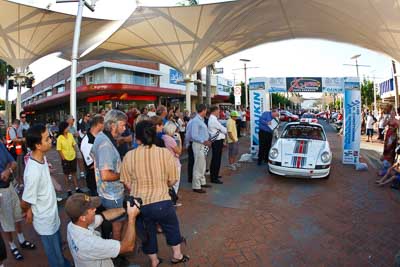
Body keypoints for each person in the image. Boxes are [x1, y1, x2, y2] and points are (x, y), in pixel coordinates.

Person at [121, 120, 189, 267]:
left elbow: (126, 182)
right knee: (171, 226)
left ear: (137, 138)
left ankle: (154, 261)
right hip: (162, 201)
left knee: (147, 233)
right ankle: (177, 255)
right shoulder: (165, 153)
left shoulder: (129, 156)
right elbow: (172, 180)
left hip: (140, 205)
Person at [21, 124, 71, 267]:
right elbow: (25, 201)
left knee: (58, 250)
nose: (51, 140)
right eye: (47, 138)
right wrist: (27, 210)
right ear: (38, 145)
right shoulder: (33, 171)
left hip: (51, 214)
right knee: (56, 258)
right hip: (45, 220)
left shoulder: (41, 158)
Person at [65, 193, 140, 266]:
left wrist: (125, 209)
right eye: (91, 209)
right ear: (82, 218)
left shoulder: (73, 225)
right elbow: (128, 246)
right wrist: (132, 217)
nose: (95, 209)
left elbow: (104, 215)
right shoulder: (90, 244)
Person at [91, 109, 127, 242]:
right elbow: (106, 175)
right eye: (122, 125)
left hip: (104, 191)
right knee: (117, 225)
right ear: (113, 125)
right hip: (112, 193)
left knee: (107, 222)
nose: (124, 129)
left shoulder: (101, 137)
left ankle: (108, 246)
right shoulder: (105, 143)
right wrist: (123, 174)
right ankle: (116, 256)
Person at [0, 142, 36, 261]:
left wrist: (7, 171)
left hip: (10, 186)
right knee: (6, 221)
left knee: (17, 215)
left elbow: (13, 163)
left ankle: (21, 240)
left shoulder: (0, 145)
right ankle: (12, 245)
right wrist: (8, 168)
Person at [80, 115, 104, 196]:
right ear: (99, 124)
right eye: (104, 123)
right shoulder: (87, 141)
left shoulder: (101, 135)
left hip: (102, 179)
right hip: (94, 181)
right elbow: (90, 165)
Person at [189, 104, 211, 193]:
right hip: (198, 144)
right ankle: (196, 186)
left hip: (202, 144)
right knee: (198, 165)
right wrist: (203, 141)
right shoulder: (195, 121)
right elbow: (194, 135)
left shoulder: (200, 120)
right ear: (203, 110)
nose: (206, 112)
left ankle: (202, 181)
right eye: (206, 110)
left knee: (202, 164)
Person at [57, 121, 82, 196]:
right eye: (67, 127)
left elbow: (74, 144)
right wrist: (63, 158)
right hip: (65, 159)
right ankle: (69, 190)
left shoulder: (70, 135)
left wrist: (75, 153)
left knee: (74, 173)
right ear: (63, 128)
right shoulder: (59, 138)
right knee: (66, 175)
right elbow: (59, 149)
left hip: (73, 157)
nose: (68, 128)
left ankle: (77, 188)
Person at [162, 122, 182, 205]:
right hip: (174, 162)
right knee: (175, 183)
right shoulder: (170, 139)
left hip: (166, 162)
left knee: (168, 182)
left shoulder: (163, 137)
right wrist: (180, 140)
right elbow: (179, 151)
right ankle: (172, 200)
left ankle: (169, 199)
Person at [207, 106, 227, 184]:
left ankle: (215, 174)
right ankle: (214, 177)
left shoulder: (213, 119)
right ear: (214, 111)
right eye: (218, 111)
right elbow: (224, 130)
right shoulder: (213, 120)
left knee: (216, 159)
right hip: (217, 141)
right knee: (216, 159)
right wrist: (223, 129)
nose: (219, 112)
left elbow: (221, 129)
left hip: (217, 141)